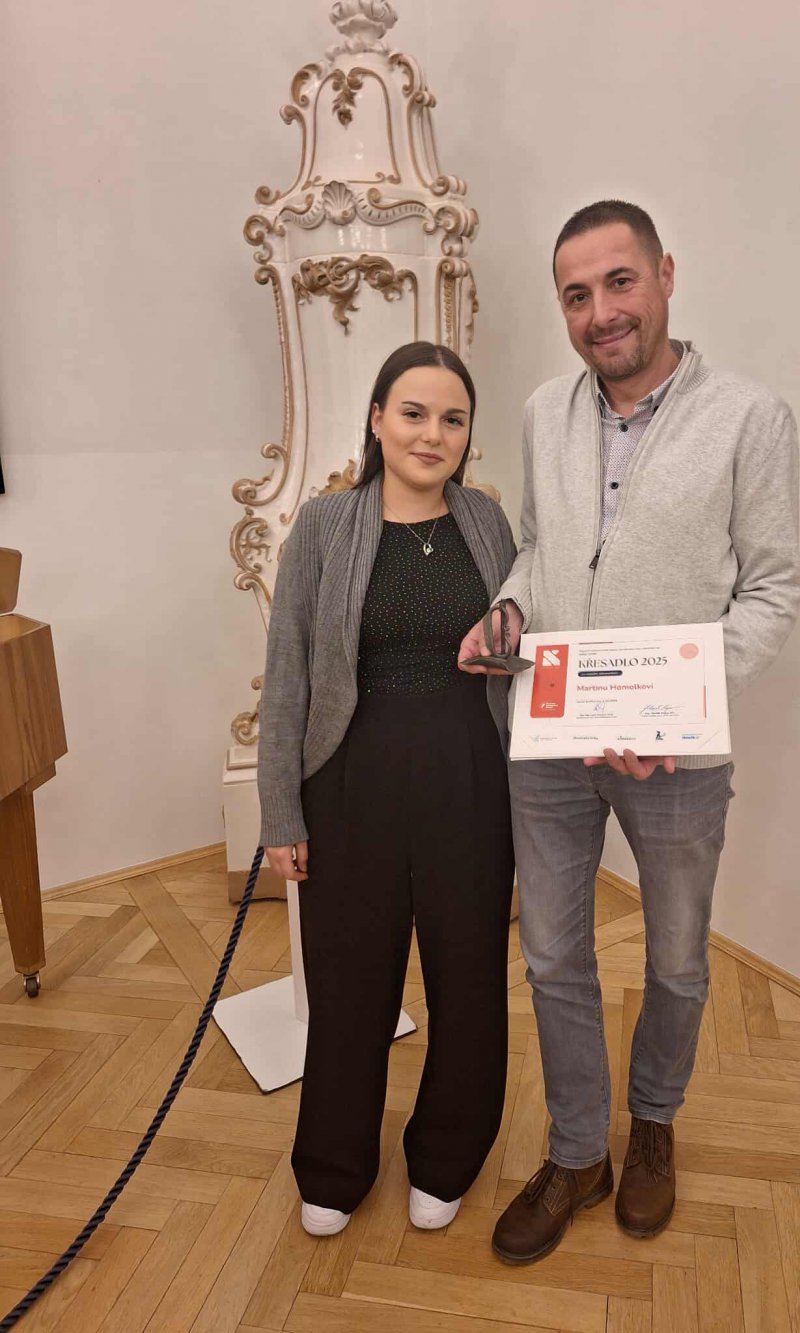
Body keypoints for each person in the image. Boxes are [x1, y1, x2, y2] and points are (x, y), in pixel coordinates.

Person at [459, 200, 800, 1264]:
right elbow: (537, 553)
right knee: (552, 953)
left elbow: (772, 592)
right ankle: (577, 1153)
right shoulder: (540, 412)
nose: (601, 312)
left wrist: (682, 704)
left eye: (619, 282)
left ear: (664, 276)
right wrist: (507, 609)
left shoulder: (750, 417)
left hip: (677, 756)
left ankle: (652, 1122)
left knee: (679, 959)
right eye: (577, 294)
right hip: (551, 736)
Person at [259, 341, 517, 1238]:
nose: (431, 433)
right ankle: (334, 1165)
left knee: (469, 976)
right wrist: (280, 810)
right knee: (349, 982)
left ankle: (447, 1155)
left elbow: (521, 648)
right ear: (376, 419)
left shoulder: (489, 523)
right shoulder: (325, 524)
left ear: (468, 434)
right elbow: (287, 673)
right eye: (413, 412)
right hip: (350, 783)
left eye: (452, 418)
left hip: (470, 780)